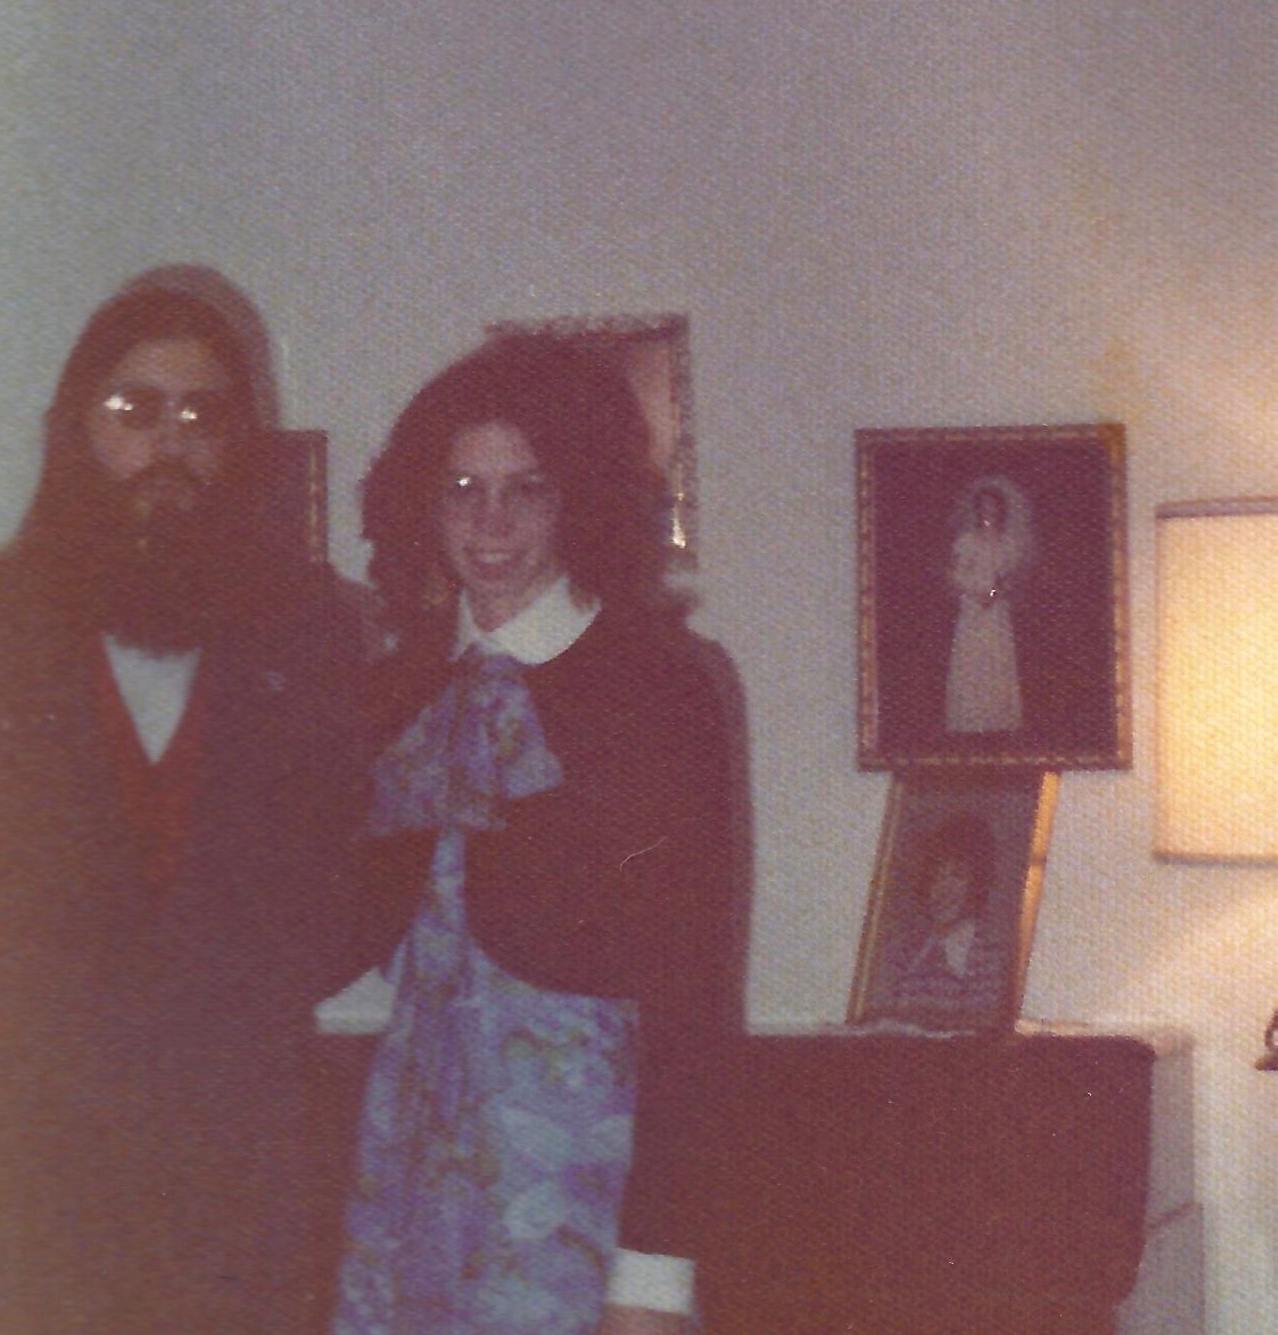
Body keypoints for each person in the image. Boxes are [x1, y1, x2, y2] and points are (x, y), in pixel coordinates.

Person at [335, 337, 741, 1335]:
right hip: (410, 1177)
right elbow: (341, 930)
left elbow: (692, 997)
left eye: (528, 489)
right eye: (462, 489)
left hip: (578, 1189)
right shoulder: (397, 691)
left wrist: (653, 1277)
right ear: (423, 506)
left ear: (579, 502)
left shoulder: (659, 687)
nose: (491, 523)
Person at [0, 283, 372, 1332]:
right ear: (78, 428)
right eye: (136, 411)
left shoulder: (309, 633)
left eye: (203, 415)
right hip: (32, 1175)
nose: (171, 445)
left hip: (243, 1179)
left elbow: (347, 887)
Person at [871, 814, 1007, 1030]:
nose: (943, 889)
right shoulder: (906, 952)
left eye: (957, 875)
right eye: (935, 876)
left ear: (977, 883)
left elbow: (982, 1029)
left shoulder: (988, 955)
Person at [942, 475, 1032, 734]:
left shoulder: (1008, 542)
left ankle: (997, 720)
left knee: (996, 658)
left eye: (993, 505)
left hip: (997, 609)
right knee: (972, 658)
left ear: (1000, 508)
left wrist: (995, 593)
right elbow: (956, 573)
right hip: (973, 607)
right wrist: (978, 592)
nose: (988, 510)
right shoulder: (967, 540)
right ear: (977, 508)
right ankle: (969, 719)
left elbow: (1011, 576)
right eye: (984, 505)